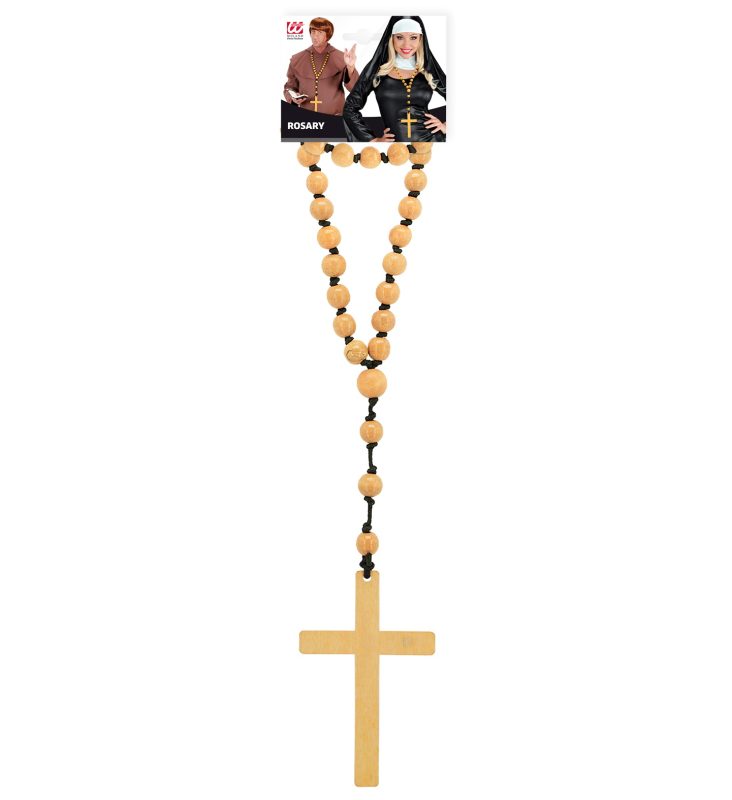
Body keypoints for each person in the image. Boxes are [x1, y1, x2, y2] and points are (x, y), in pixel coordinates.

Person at [342, 16, 447, 142]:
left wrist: (446, 126)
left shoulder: (428, 70)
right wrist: (372, 140)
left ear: (421, 39)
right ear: (391, 39)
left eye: (413, 37)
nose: (406, 44)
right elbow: (350, 108)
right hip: (395, 148)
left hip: (432, 142)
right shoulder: (378, 70)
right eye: (400, 37)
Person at [283, 17, 359, 116]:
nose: (315, 36)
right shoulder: (297, 59)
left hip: (335, 118)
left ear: (328, 35)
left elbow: (356, 90)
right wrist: (293, 98)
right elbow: (289, 87)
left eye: (320, 32)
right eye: (313, 32)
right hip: (307, 119)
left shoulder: (342, 58)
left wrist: (350, 67)